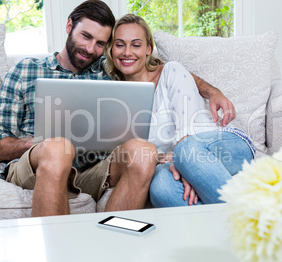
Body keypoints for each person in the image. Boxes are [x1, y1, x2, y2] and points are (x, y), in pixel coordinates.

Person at [0, 0, 235, 217]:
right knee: (58, 148)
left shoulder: (105, 74)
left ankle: (111, 250)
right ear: (69, 27)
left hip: (93, 169)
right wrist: (37, 143)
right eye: (86, 36)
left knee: (144, 150)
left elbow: (160, 71)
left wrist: (211, 91)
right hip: (39, 164)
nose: (89, 49)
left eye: (99, 44)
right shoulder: (25, 70)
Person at [104, 14, 255, 207]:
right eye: (119, 44)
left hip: (220, 145)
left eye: (136, 44)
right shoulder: (116, 98)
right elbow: (143, 155)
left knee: (185, 151)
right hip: (174, 161)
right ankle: (222, 231)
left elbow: (187, 132)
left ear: (148, 49)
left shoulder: (171, 71)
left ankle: (252, 224)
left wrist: (186, 168)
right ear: (111, 50)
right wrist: (181, 167)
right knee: (160, 188)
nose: (127, 52)